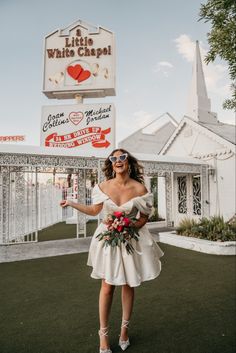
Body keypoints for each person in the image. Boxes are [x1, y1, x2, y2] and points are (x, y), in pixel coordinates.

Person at [60, 149, 164, 353]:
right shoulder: (103, 186)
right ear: (111, 164)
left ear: (129, 162)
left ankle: (124, 331)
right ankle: (103, 336)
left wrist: (131, 225)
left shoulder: (140, 188)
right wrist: (71, 203)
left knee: (128, 284)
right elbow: (94, 211)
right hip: (108, 240)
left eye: (122, 157)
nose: (118, 161)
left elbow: (144, 217)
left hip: (130, 241)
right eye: (113, 158)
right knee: (107, 287)